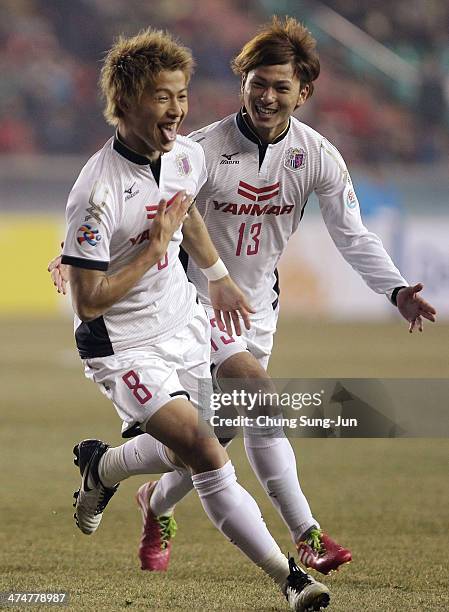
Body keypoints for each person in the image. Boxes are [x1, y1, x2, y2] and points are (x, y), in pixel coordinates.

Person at [49, 16, 436, 578]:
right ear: (243, 84)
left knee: (205, 443)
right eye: (258, 82)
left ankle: (129, 485)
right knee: (253, 409)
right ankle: (307, 536)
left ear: (304, 92)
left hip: (255, 310)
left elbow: (352, 233)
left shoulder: (319, 156)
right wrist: (76, 253)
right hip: (190, 308)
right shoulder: (202, 148)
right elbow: (146, 210)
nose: (267, 95)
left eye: (281, 86)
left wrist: (396, 288)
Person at [57, 26, 331, 612]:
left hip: (183, 317)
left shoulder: (184, 155)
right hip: (124, 343)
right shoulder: (96, 191)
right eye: (163, 97)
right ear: (125, 101)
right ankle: (292, 579)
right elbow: (88, 302)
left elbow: (188, 217)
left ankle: (103, 468)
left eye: (182, 95)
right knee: (206, 450)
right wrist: (153, 253)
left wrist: (218, 277)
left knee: (237, 409)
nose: (178, 110)